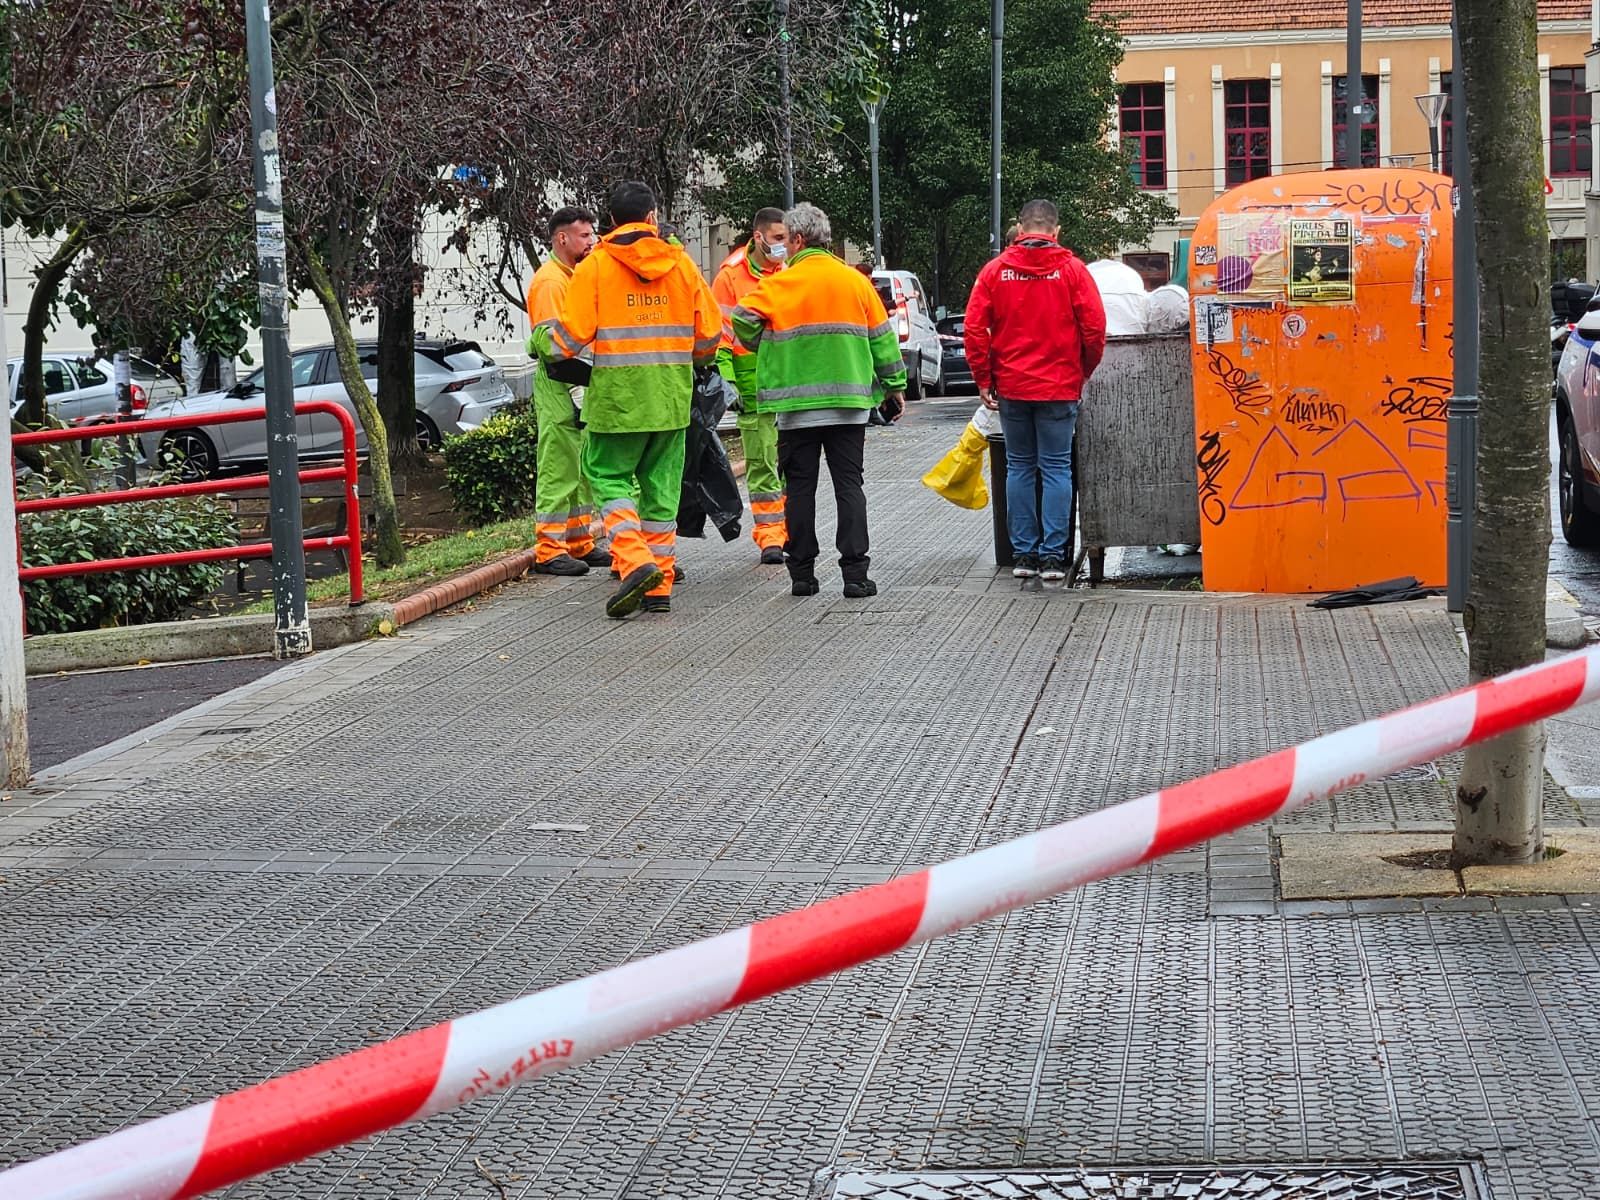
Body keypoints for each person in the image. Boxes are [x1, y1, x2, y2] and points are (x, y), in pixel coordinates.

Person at [536, 181, 722, 618]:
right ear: (653, 218)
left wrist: (541, 342)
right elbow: (710, 337)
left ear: (611, 222)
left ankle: (635, 561)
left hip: (617, 402)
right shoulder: (682, 264)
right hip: (671, 400)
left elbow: (567, 340)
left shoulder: (595, 266)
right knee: (660, 494)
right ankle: (660, 586)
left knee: (607, 477)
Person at [731, 202, 906, 598]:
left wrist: (767, 345)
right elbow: (882, 338)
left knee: (801, 487)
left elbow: (741, 320)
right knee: (849, 485)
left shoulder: (779, 284)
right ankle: (856, 576)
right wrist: (894, 386)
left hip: (795, 410)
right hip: (848, 405)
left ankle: (803, 575)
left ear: (796, 239)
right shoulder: (854, 282)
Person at [964, 198, 1107, 582]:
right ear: (1055, 231)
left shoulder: (995, 272)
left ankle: (1023, 555)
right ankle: (1053, 558)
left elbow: (975, 329)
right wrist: (1082, 371)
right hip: (1060, 386)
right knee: (1057, 466)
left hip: (1012, 386)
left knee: (1019, 466)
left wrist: (984, 378)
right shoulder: (1074, 272)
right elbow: (1094, 329)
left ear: (1021, 229)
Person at [525, 206, 609, 576]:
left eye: (592, 234)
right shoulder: (551, 282)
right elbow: (552, 344)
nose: (592, 241)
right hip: (561, 384)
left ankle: (578, 542)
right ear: (562, 238)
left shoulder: (574, 276)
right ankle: (548, 550)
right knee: (559, 468)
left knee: (580, 470)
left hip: (577, 383)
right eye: (585, 235)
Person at [713, 208, 791, 565]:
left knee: (793, 462)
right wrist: (729, 386)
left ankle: (792, 529)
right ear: (758, 237)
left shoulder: (791, 271)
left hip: (790, 382)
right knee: (762, 463)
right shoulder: (731, 275)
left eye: (786, 239)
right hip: (753, 387)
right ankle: (771, 537)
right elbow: (721, 339)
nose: (783, 246)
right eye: (777, 239)